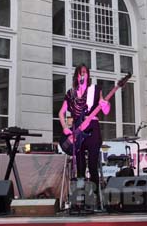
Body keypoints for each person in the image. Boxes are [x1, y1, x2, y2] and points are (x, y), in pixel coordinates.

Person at [58, 64, 110, 198]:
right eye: (80, 73)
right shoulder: (71, 94)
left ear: (88, 75)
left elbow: (105, 111)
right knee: (80, 166)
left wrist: (106, 104)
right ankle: (81, 198)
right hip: (78, 131)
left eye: (85, 73)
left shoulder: (94, 90)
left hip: (93, 128)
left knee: (92, 165)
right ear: (76, 76)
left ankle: (96, 197)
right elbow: (61, 112)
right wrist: (65, 127)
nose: (82, 75)